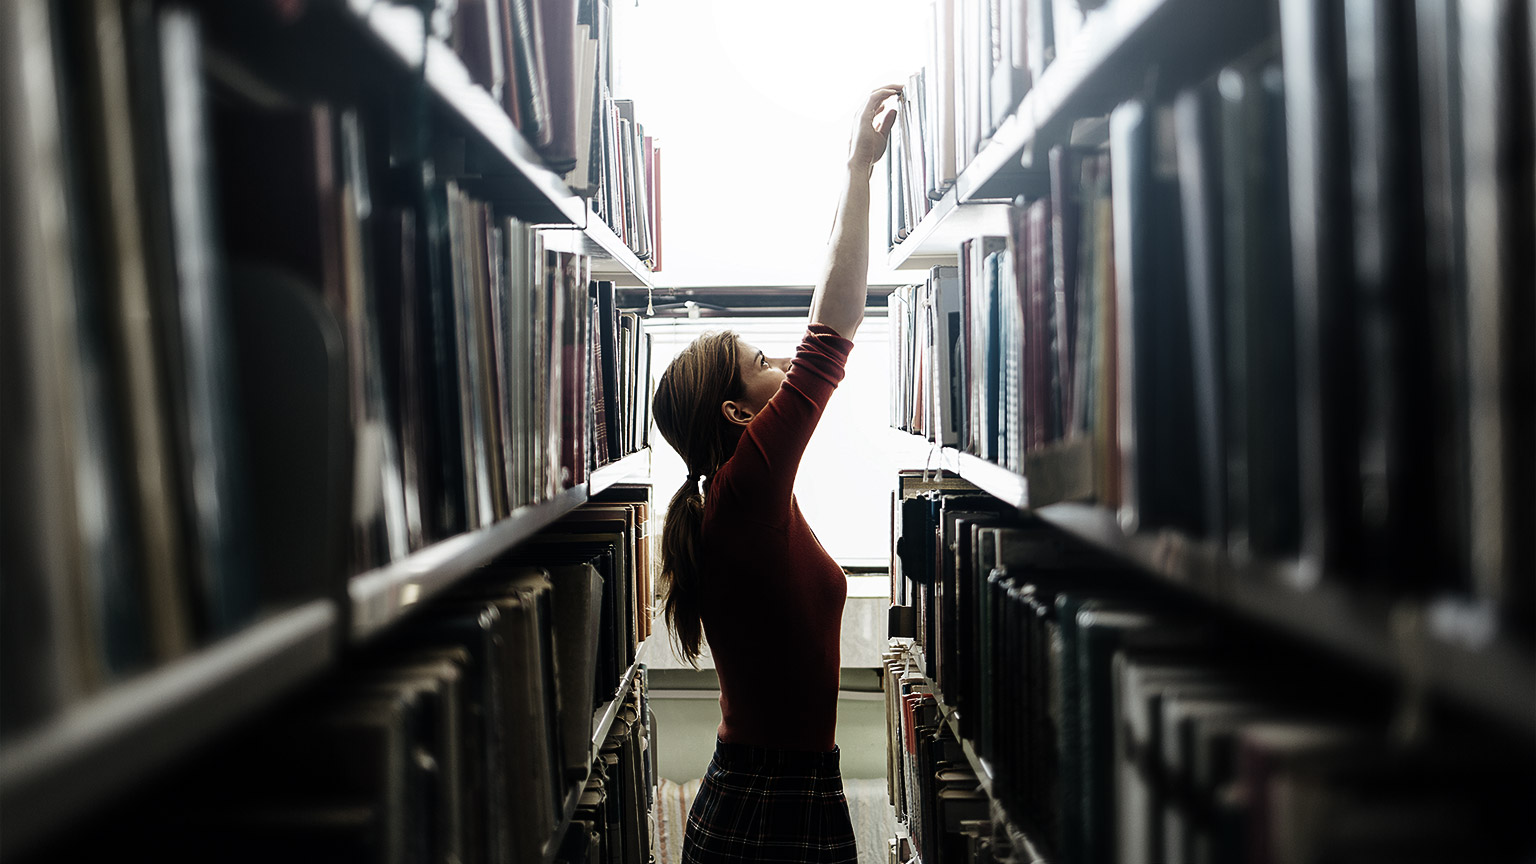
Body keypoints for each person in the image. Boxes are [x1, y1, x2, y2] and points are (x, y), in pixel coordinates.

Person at [649, 84, 902, 864]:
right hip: (773, 807)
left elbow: (820, 324)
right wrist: (859, 169)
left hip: (775, 794)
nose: (784, 362)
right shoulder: (744, 489)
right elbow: (832, 327)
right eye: (762, 364)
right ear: (735, 415)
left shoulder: (734, 502)